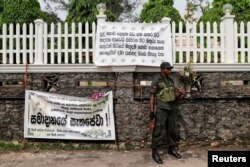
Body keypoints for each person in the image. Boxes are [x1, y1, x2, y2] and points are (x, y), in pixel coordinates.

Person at [149, 62, 185, 164]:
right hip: (161, 108)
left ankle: (172, 148)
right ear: (162, 69)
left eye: (170, 69)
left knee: (172, 129)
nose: (170, 70)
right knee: (159, 130)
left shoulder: (170, 80)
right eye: (168, 69)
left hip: (171, 108)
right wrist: (151, 111)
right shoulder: (157, 80)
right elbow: (152, 96)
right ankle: (154, 151)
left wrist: (180, 94)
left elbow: (174, 95)